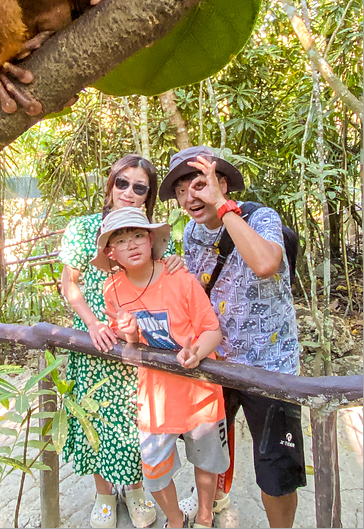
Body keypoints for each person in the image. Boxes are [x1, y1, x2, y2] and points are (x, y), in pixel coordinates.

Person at [159, 146, 306, 529]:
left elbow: (264, 264)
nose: (190, 197)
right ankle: (209, 509)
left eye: (199, 184)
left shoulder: (261, 217)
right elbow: (200, 292)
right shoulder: (191, 232)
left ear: (221, 184)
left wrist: (224, 208)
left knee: (275, 470)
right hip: (218, 363)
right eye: (180, 190)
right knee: (208, 449)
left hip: (269, 367)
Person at [60, 155, 185, 529]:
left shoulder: (150, 234)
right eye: (122, 183)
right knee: (96, 418)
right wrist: (93, 323)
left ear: (148, 197)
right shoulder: (83, 229)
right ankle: (102, 494)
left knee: (134, 423)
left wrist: (176, 264)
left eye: (140, 187)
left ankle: (133, 490)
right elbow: (70, 284)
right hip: (97, 345)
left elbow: (166, 275)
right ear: (111, 184)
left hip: (139, 345)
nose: (129, 192)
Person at [96, 207, 229, 529]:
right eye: (122, 240)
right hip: (155, 397)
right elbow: (130, 339)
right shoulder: (112, 290)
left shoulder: (180, 279)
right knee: (154, 470)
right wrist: (127, 331)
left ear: (151, 239)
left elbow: (212, 330)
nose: (131, 244)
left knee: (206, 462)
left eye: (138, 235)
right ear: (111, 253)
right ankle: (174, 519)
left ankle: (204, 517)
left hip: (200, 390)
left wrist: (195, 353)